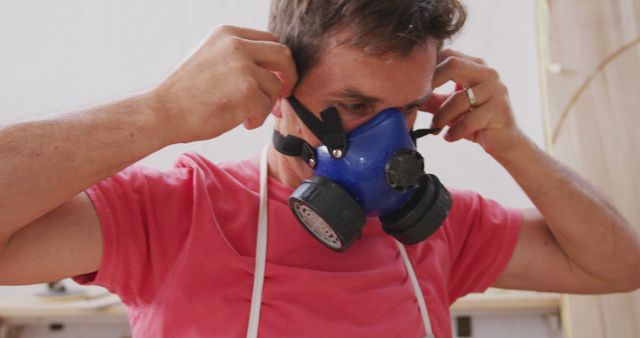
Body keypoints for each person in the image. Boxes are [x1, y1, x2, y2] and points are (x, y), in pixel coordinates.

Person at [0, 1, 638, 337]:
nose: (388, 142)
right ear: (281, 87)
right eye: (355, 106)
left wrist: (513, 144)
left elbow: (616, 265)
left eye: (407, 109)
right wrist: (162, 112)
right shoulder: (176, 214)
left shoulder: (434, 229)